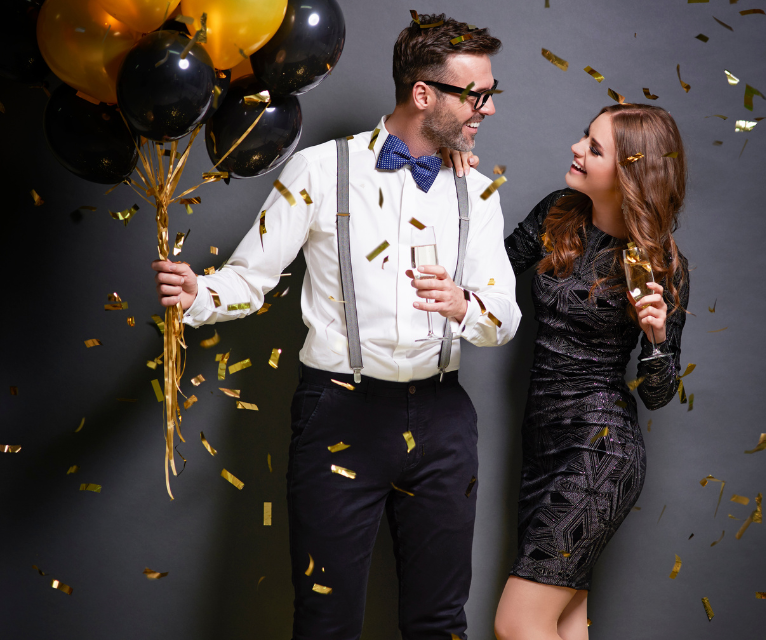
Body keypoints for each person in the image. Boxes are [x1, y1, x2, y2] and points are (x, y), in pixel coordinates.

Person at [152, 13, 521, 640]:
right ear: (424, 94)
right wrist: (199, 293)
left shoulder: (478, 192)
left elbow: (504, 317)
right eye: (474, 95)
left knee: (440, 622)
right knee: (326, 620)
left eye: (490, 93)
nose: (486, 108)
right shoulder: (320, 171)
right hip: (339, 412)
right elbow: (250, 276)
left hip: (442, 417)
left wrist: (464, 305)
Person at [493, 103, 690, 640]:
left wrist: (655, 342)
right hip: (541, 449)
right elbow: (490, 271)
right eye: (585, 136)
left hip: (600, 451)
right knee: (566, 621)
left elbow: (659, 394)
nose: (577, 149)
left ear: (629, 173)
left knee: (518, 623)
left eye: (594, 148)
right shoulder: (559, 213)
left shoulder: (661, 263)